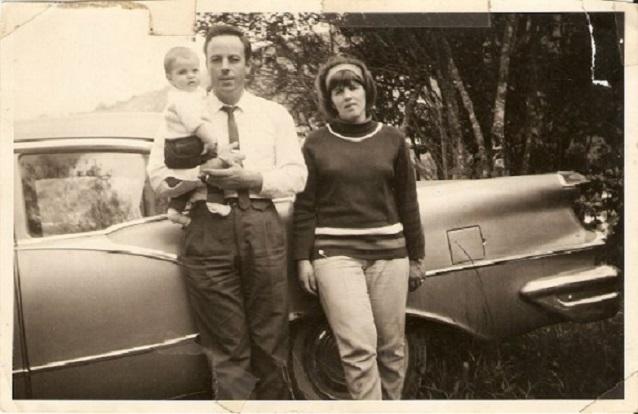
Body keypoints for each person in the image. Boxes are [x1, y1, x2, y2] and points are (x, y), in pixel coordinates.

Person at [148, 24, 308, 400]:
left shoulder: (273, 114)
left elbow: (297, 176)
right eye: (215, 59)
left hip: (262, 226)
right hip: (207, 230)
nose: (225, 67)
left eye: (234, 59)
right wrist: (203, 173)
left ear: (248, 65)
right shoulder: (182, 112)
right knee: (226, 349)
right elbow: (158, 178)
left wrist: (252, 178)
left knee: (271, 342)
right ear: (205, 65)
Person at [292, 56, 426, 400]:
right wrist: (302, 259)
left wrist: (416, 257)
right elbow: (305, 205)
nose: (347, 96)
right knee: (358, 347)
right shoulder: (316, 143)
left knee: (392, 348)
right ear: (330, 100)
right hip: (335, 256)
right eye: (338, 91)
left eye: (353, 87)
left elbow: (408, 201)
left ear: (366, 91)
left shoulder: (392, 139)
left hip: (389, 254)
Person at [161, 46, 230, 226]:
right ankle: (215, 201)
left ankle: (175, 209)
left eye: (194, 70)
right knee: (215, 162)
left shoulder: (191, 94)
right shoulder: (182, 99)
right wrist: (211, 141)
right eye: (182, 72)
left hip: (179, 146)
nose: (191, 76)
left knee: (185, 176)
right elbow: (194, 123)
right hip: (185, 144)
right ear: (170, 78)